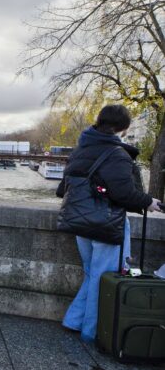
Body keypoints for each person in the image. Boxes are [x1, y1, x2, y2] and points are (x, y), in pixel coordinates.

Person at [57, 104, 161, 342]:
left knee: (92, 274)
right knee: (103, 277)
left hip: (80, 222)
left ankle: (73, 320)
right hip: (106, 223)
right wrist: (147, 202)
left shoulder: (80, 149)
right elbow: (123, 193)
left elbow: (62, 189)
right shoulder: (116, 154)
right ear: (123, 128)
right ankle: (91, 331)